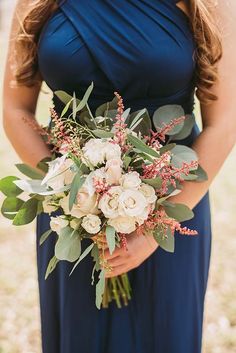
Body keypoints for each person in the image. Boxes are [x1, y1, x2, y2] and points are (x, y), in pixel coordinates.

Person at [2, 1, 236, 352]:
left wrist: (155, 230)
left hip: (172, 207)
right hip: (73, 215)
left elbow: (224, 122)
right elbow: (14, 107)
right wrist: (73, 195)